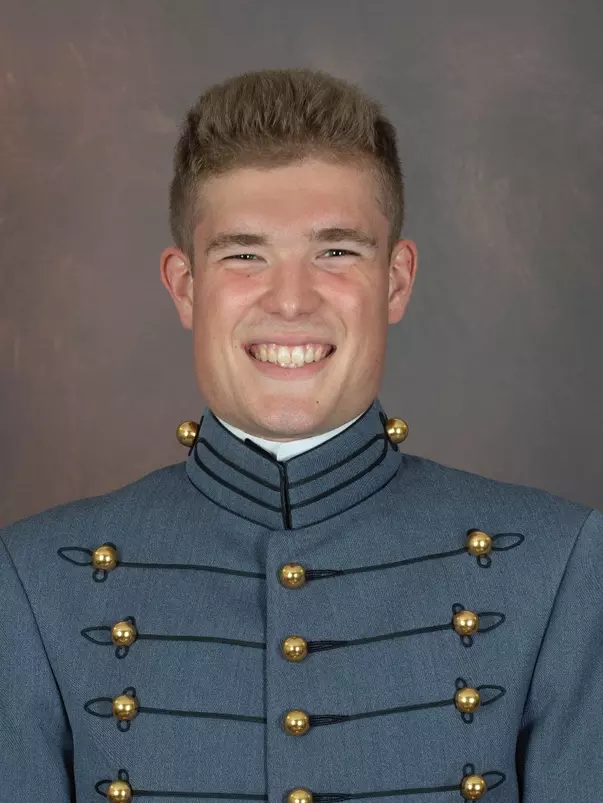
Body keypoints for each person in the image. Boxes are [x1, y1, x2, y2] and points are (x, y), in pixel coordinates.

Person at [1, 67, 601, 803]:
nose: (291, 299)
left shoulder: (559, 565)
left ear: (396, 279)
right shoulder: (31, 583)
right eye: (245, 254)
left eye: (336, 251)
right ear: (185, 287)